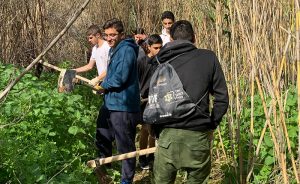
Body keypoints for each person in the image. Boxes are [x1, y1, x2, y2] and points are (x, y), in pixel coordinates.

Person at [152, 20, 229, 183]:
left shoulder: (159, 61)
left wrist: (157, 131)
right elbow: (222, 98)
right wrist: (211, 123)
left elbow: (153, 102)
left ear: (171, 39)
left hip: (167, 137)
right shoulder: (209, 58)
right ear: (194, 38)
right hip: (198, 136)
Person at [98, 18, 141, 184]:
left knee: (125, 146)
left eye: (113, 35)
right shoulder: (113, 49)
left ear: (121, 35)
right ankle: (106, 169)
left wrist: (104, 85)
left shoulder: (126, 50)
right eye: (107, 35)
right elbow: (111, 74)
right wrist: (101, 86)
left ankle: (126, 180)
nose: (109, 38)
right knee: (103, 135)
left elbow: (120, 77)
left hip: (124, 106)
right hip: (112, 103)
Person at [73, 25, 111, 160]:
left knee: (107, 119)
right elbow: (90, 66)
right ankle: (106, 153)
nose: (89, 40)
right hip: (102, 86)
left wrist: (98, 78)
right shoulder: (95, 49)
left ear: (98, 35)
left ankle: (108, 151)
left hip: (110, 85)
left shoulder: (107, 47)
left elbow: (111, 68)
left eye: (90, 37)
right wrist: (74, 71)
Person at [137, 34, 162, 170]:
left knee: (153, 130)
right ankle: (142, 157)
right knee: (145, 130)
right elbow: (136, 80)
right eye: (156, 48)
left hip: (156, 100)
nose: (158, 50)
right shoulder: (142, 61)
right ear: (149, 47)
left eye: (160, 47)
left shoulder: (161, 62)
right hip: (143, 101)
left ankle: (151, 157)